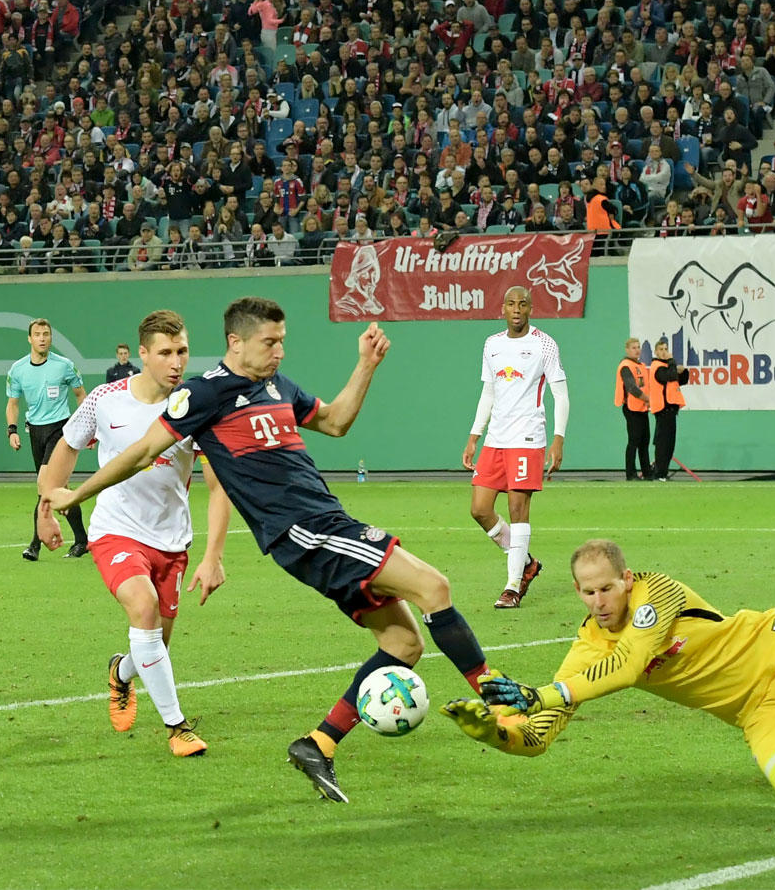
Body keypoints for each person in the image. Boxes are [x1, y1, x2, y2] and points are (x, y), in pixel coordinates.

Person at [43, 297, 499, 803]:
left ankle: (317, 745)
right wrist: (75, 495)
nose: (279, 351)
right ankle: (502, 704)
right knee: (434, 586)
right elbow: (143, 452)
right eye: (269, 342)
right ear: (236, 342)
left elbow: (335, 422)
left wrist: (366, 366)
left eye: (282, 341)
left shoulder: (279, 387)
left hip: (321, 522)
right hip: (304, 529)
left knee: (404, 646)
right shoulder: (202, 394)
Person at [442, 539, 775, 813]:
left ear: (626, 580)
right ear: (577, 592)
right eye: (589, 592)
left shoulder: (658, 592)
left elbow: (630, 665)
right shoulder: (588, 649)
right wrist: (494, 734)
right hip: (759, 711)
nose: (599, 601)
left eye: (607, 588)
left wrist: (541, 695)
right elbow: (538, 737)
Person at [37, 311, 231, 757]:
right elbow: (64, 449)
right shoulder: (105, 399)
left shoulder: (195, 405)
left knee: (155, 645)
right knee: (142, 610)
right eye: (165, 353)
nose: (175, 362)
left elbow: (219, 485)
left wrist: (213, 554)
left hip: (172, 541)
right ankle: (178, 727)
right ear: (142, 354)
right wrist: (45, 508)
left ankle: (121, 673)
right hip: (116, 532)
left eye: (182, 351)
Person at [462, 286, 569, 609]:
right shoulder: (492, 344)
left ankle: (512, 586)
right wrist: (474, 434)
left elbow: (560, 394)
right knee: (479, 509)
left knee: (517, 511)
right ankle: (526, 563)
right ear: (503, 308)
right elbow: (488, 393)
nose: (517, 309)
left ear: (531, 309)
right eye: (511, 303)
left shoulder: (544, 344)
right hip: (495, 439)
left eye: (523, 304)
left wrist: (558, 438)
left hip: (527, 438)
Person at [5, 319, 88, 561]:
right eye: (38, 334)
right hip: (35, 432)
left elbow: (81, 395)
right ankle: (82, 540)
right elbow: (13, 404)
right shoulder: (18, 369)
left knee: (45, 485)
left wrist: (86, 427)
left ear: (51, 338)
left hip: (60, 429)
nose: (42, 338)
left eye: (46, 334)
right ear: (30, 339)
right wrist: (12, 430)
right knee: (58, 490)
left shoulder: (64, 366)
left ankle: (35, 545)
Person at [649, 337, 689, 481]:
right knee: (663, 443)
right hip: (663, 409)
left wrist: (683, 371)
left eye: (666, 349)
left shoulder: (666, 367)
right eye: (661, 350)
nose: (664, 352)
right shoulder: (657, 367)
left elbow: (680, 380)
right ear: (655, 352)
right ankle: (659, 473)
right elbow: (670, 376)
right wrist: (672, 362)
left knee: (669, 444)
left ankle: (663, 472)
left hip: (671, 410)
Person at [615, 337, 651, 481]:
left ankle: (647, 472)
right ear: (627, 350)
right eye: (634, 348)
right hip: (631, 408)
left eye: (638, 347)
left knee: (645, 441)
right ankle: (630, 473)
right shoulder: (625, 366)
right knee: (634, 441)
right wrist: (648, 399)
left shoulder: (641, 365)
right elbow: (631, 387)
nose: (637, 350)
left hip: (642, 408)